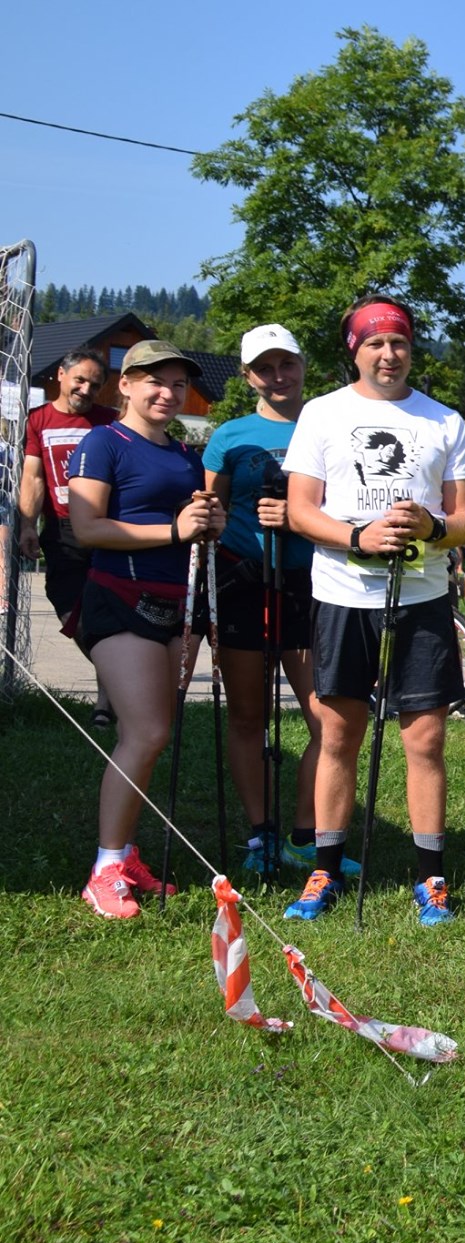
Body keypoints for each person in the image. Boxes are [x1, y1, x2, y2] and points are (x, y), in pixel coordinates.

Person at [280, 294, 465, 924]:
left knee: (425, 737)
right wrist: (357, 536)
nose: (388, 354)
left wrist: (430, 523)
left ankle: (431, 877)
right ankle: (325, 869)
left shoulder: (444, 421)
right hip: (343, 593)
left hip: (420, 597)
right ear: (355, 351)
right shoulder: (322, 413)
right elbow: (300, 508)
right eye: (375, 343)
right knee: (337, 732)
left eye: (398, 343)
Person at [65, 341, 226, 917]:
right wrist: (175, 532)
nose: (168, 392)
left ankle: (127, 853)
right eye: (155, 381)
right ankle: (104, 868)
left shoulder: (185, 453)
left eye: (178, 384)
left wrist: (209, 523)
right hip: (115, 599)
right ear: (125, 385)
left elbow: (187, 523)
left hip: (174, 604)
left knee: (153, 736)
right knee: (147, 732)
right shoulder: (102, 442)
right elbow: (87, 527)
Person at [201, 324, 352, 876]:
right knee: (247, 715)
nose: (278, 376)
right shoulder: (228, 436)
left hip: (317, 586)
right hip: (244, 582)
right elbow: (212, 509)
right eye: (264, 368)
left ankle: (305, 837)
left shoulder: (334, 423)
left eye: (286, 363)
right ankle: (259, 833)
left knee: (325, 719)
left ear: (303, 365)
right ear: (248, 377)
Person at [18, 350, 117, 721]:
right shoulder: (38, 420)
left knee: (108, 611)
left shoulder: (109, 422)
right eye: (80, 379)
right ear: (61, 375)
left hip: (107, 526)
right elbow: (34, 476)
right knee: (69, 609)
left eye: (95, 384)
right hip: (61, 532)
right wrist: (28, 524)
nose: (86, 388)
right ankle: (120, 677)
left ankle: (107, 701)